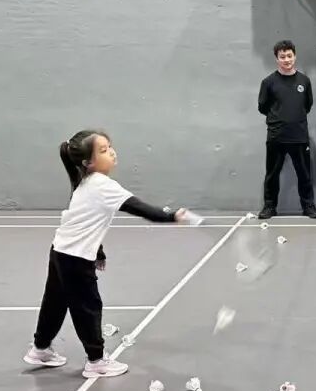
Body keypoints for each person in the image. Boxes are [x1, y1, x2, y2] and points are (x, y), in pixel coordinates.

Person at [24, 130, 191, 378]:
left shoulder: (85, 183)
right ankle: (96, 361)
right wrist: (172, 216)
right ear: (87, 162)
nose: (111, 152)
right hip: (76, 259)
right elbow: (139, 208)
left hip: (60, 251)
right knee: (88, 307)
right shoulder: (103, 185)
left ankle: (40, 348)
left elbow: (85, 223)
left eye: (110, 146)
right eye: (103, 150)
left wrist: (98, 252)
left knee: (55, 303)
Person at [257, 40, 316, 219]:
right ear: (277, 59)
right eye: (282, 56)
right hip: (276, 136)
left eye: (289, 56)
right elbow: (263, 107)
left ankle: (308, 206)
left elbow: (307, 105)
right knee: (272, 175)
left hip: (299, 136)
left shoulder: (304, 81)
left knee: (304, 174)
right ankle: (269, 207)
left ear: (295, 56)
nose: (286, 60)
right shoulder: (268, 82)